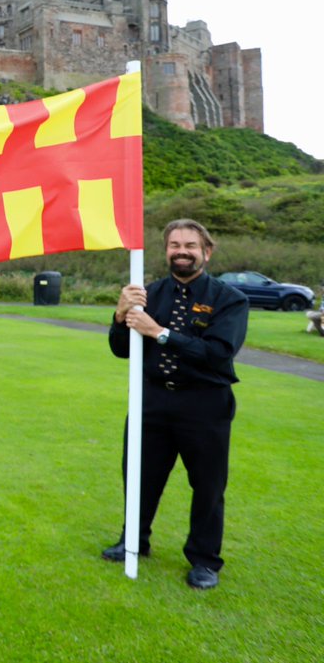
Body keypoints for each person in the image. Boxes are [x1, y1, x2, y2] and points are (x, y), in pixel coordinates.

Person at [102, 218, 248, 590]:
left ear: (207, 252)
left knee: (208, 486)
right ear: (166, 250)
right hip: (151, 401)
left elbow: (218, 354)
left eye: (190, 246)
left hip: (205, 404)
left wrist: (159, 332)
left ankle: (204, 560)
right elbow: (122, 349)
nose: (182, 252)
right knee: (139, 476)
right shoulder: (148, 293)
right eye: (175, 245)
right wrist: (120, 315)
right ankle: (134, 541)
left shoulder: (230, 299)